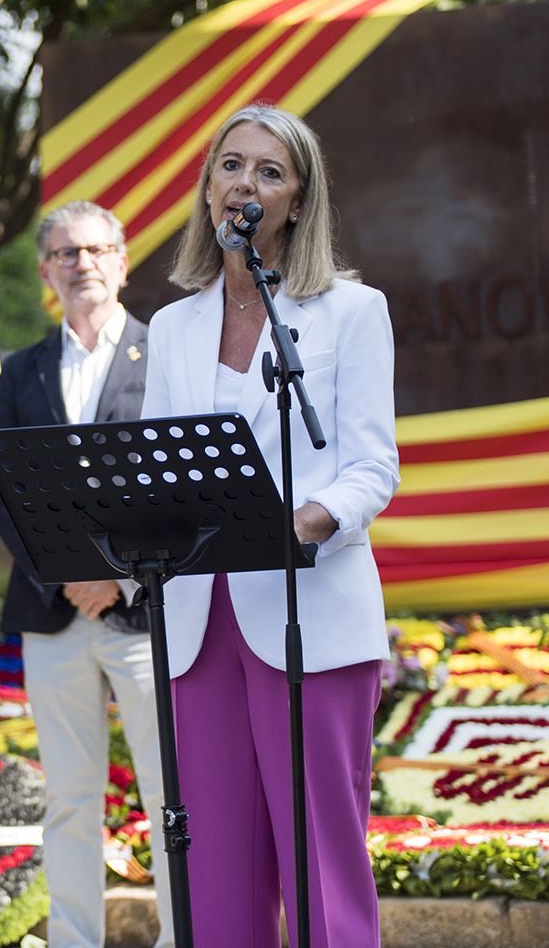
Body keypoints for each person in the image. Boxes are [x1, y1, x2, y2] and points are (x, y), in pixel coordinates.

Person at [141, 105, 399, 946]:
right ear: (207, 185)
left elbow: (371, 468)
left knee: (321, 866)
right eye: (230, 165)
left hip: (309, 614)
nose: (243, 183)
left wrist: (308, 518)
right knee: (214, 875)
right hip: (197, 623)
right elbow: (153, 469)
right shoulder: (173, 327)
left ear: (297, 201)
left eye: (268, 171)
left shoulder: (352, 313)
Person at [0, 200, 173, 948]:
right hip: (52, 612)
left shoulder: (164, 357)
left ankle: (179, 936)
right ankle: (74, 940)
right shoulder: (22, 371)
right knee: (68, 798)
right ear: (46, 272)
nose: (82, 263)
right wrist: (66, 573)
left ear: (122, 262)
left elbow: (176, 484)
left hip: (144, 612)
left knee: (168, 794)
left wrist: (119, 578)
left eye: (96, 250)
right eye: (67, 253)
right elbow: (2, 486)